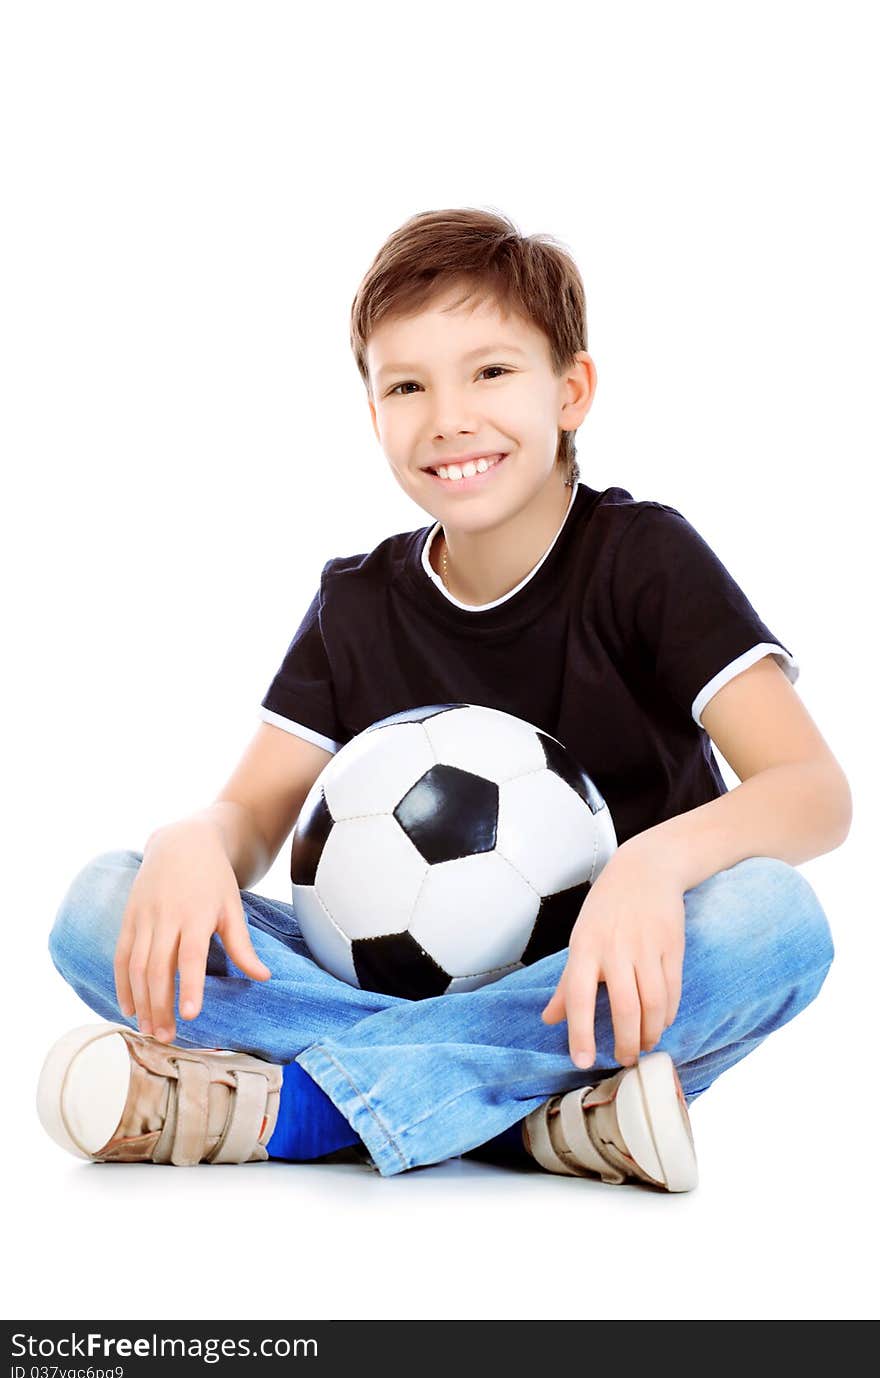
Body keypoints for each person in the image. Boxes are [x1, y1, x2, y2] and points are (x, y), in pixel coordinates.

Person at [38, 207, 851, 1192]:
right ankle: (540, 1121)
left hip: (604, 990)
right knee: (102, 905)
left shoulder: (643, 561)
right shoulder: (357, 601)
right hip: (471, 1014)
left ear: (571, 390)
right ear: (372, 413)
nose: (448, 417)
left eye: (490, 371)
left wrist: (651, 863)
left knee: (776, 920)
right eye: (407, 386)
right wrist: (191, 838)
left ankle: (301, 1110)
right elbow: (250, 819)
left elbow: (812, 791)